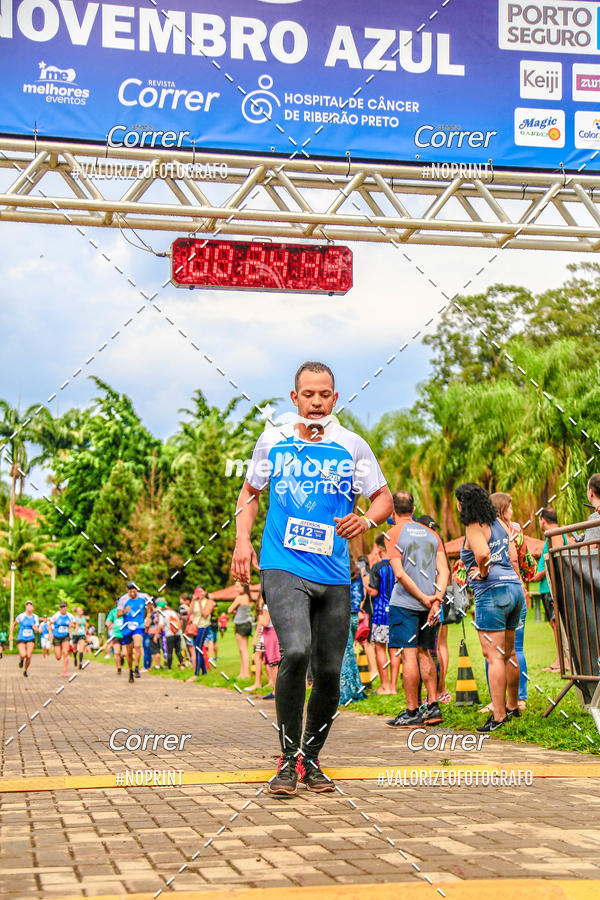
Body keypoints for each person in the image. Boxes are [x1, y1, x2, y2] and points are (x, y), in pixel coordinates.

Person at [231, 361, 392, 796]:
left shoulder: (352, 446)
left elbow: (383, 498)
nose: (317, 402)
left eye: (325, 395)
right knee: (296, 650)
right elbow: (249, 492)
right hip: (283, 564)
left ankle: (311, 757)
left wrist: (365, 519)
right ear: (295, 398)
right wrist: (242, 540)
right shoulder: (275, 441)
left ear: (335, 399)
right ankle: (286, 760)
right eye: (309, 395)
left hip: (335, 572)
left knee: (327, 668)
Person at [456, 482, 523, 733]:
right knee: (509, 654)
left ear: (462, 503)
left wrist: (482, 572)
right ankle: (513, 705)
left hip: (493, 593)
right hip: (514, 589)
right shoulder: (499, 523)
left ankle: (498, 716)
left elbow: (483, 554)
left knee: (493, 656)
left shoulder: (474, 526)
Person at [386, 492, 449, 728]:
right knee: (426, 652)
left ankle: (412, 711)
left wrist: (424, 598)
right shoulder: (432, 533)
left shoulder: (392, 533)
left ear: (393, 513)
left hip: (405, 603)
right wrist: (436, 600)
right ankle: (433, 707)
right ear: (413, 510)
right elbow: (444, 571)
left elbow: (399, 573)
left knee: (409, 654)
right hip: (430, 603)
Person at [490, 492, 536, 711]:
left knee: (494, 650)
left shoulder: (484, 529)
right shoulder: (516, 529)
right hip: (518, 591)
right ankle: (520, 698)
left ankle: (497, 701)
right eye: (509, 507)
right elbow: (528, 563)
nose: (513, 511)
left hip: (493, 593)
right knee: (516, 648)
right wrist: (524, 580)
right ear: (502, 508)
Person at [530, 508, 571, 672]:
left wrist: (539, 575)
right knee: (555, 625)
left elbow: (556, 558)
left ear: (542, 519)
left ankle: (565, 661)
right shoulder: (554, 534)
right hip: (547, 588)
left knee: (558, 625)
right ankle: (560, 659)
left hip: (552, 587)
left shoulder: (554, 534)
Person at [416, 515, 450, 704]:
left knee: (426, 649)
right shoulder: (439, 541)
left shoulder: (422, 544)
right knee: (440, 646)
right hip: (441, 597)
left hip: (427, 600)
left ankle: (429, 695)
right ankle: (441, 690)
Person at [366, 534, 397, 694]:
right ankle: (394, 686)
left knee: (380, 648)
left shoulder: (377, 567)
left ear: (378, 548)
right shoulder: (398, 565)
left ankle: (385, 686)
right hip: (397, 611)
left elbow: (374, 591)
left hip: (380, 613)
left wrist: (366, 585)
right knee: (394, 648)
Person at [339, 555, 367, 705]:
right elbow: (361, 595)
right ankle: (356, 688)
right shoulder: (357, 575)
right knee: (348, 652)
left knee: (344, 654)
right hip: (355, 615)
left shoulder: (339, 572)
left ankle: (346, 692)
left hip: (342, 615)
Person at [118, 581, 147, 684]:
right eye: (130, 591)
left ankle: (136, 668)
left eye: (134, 591)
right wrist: (125, 611)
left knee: (138, 645)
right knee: (129, 652)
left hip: (139, 626)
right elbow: (118, 614)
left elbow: (151, 607)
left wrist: (148, 619)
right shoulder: (123, 599)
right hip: (127, 628)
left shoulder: (143, 597)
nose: (133, 593)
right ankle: (130, 671)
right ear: (127, 591)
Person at [228, 583, 253, 679]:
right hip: (247, 623)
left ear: (244, 587)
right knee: (244, 648)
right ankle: (243, 673)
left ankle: (245, 673)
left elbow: (230, 610)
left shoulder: (240, 598)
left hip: (240, 624)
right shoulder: (248, 597)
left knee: (242, 649)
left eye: (238, 587)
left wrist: (236, 612)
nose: (236, 589)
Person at [11, 601, 39, 677]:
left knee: (29, 656)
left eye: (30, 605)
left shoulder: (35, 617)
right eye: (27, 605)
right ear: (25, 607)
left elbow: (37, 629)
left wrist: (35, 628)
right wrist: (11, 635)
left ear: (33, 608)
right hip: (21, 637)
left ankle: (25, 670)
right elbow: (14, 624)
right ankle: (21, 660)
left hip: (30, 638)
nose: (29, 606)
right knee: (23, 655)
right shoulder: (21, 616)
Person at [49, 600, 75, 677]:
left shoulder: (70, 616)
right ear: (59, 608)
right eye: (61, 607)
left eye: (64, 607)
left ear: (66, 607)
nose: (62, 608)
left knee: (66, 653)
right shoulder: (56, 616)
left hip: (65, 637)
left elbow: (74, 623)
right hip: (57, 637)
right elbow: (49, 625)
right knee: (58, 657)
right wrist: (50, 633)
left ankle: (65, 671)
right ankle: (58, 650)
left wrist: (72, 625)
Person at [105, 603, 124, 674]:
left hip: (125, 634)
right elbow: (108, 621)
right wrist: (109, 624)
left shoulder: (126, 610)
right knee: (116, 652)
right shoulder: (113, 611)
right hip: (116, 634)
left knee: (124, 653)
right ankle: (118, 668)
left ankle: (122, 657)